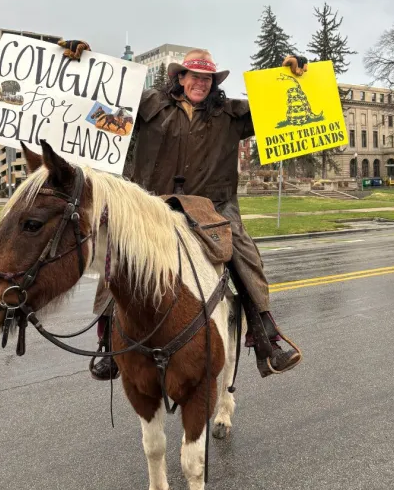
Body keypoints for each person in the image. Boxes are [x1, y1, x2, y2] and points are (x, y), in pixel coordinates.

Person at [91, 47, 304, 380]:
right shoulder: (148, 104)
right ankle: (107, 343)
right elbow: (98, 99)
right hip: (151, 201)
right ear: (181, 77)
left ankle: (267, 337)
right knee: (117, 252)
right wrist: (80, 59)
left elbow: (276, 106)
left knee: (244, 252)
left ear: (212, 83)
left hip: (212, 203)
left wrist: (292, 74)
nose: (200, 84)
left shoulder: (230, 115)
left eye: (207, 79)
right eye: (194, 77)